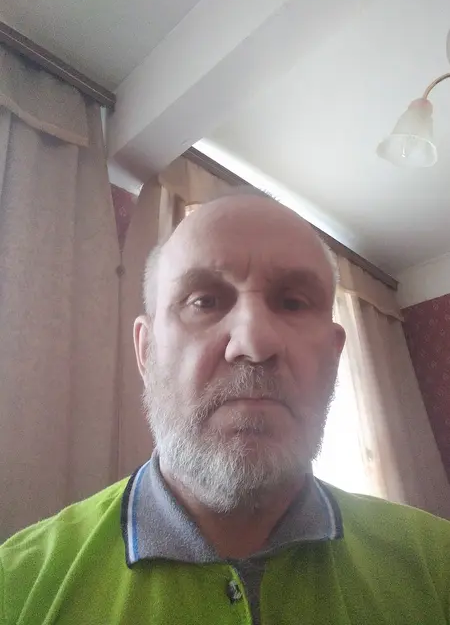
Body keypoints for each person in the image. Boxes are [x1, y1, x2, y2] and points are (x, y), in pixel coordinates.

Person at [1, 191, 449, 625]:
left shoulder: (437, 565)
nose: (253, 343)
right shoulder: (16, 586)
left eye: (293, 302)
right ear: (146, 350)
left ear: (333, 357)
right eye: (204, 301)